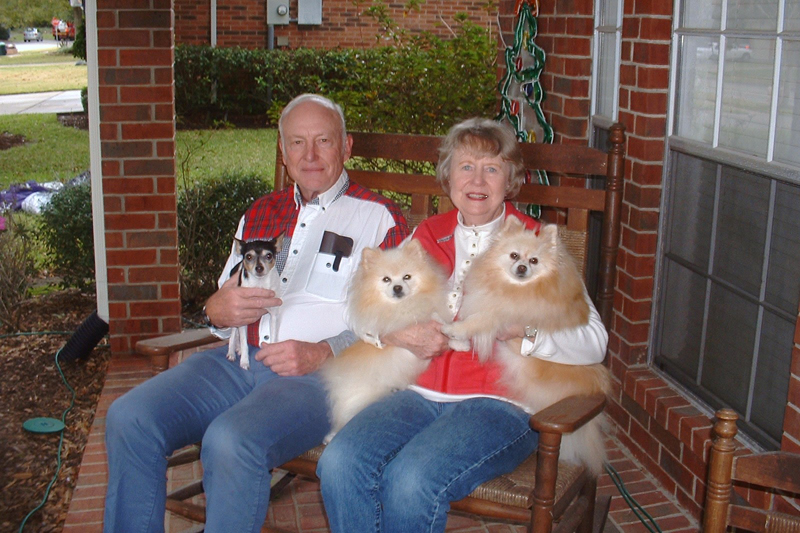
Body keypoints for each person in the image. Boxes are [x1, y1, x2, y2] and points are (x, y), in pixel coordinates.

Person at [102, 94, 410, 533]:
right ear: (283, 153)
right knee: (130, 418)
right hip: (236, 360)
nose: (310, 155)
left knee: (230, 441)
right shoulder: (260, 212)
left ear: (346, 147)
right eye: (297, 143)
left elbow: (400, 323)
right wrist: (215, 310)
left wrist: (324, 352)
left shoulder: (378, 218)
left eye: (323, 140)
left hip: (316, 377)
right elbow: (223, 300)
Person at [316, 117, 608, 533]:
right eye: (465, 166)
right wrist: (396, 334)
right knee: (341, 463)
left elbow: (594, 341)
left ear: (510, 180)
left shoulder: (534, 245)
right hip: (417, 392)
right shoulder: (425, 235)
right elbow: (365, 310)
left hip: (499, 405)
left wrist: (523, 332)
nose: (477, 179)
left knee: (411, 481)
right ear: (448, 176)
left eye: (491, 168)